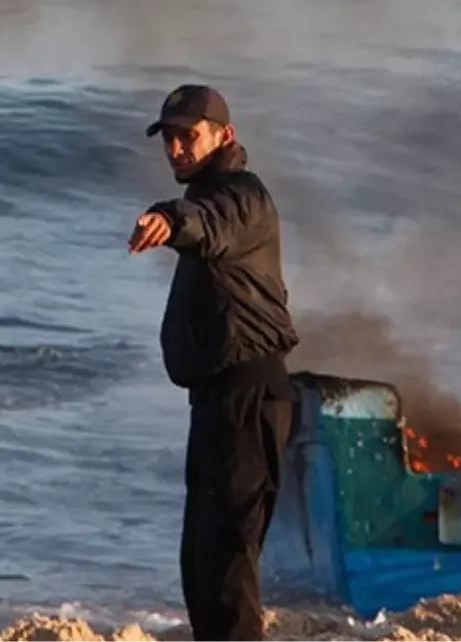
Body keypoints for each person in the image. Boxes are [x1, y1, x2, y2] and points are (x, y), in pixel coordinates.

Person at [127, 84, 299, 642]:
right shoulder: (211, 194)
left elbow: (209, 223)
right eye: (170, 138)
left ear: (225, 136)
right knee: (201, 564)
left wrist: (168, 220)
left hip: (247, 399)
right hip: (218, 403)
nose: (177, 148)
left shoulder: (244, 196)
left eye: (189, 136)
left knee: (227, 562)